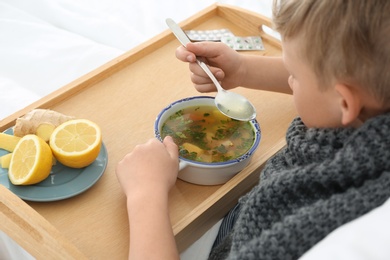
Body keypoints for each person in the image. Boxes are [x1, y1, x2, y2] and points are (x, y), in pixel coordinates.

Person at [116, 0, 390, 259]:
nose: (290, 80)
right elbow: (333, 80)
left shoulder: (312, 234)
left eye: (293, 74)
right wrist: (243, 69)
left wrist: (146, 194)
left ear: (344, 103)